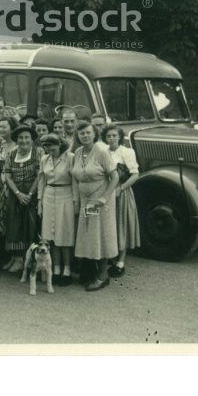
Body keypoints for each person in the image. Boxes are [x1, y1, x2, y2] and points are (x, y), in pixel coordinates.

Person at [72, 120, 119, 292]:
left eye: (88, 132)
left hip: (100, 200)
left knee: (102, 235)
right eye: (82, 133)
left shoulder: (101, 151)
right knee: (88, 235)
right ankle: (90, 272)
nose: (85, 136)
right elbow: (75, 177)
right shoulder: (77, 152)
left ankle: (102, 276)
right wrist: (77, 200)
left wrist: (105, 198)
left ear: (94, 134)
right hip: (85, 200)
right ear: (78, 135)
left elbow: (114, 177)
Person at [37, 134, 76, 286]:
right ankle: (56, 269)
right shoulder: (44, 159)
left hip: (65, 196)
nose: (50, 152)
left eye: (53, 149)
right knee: (50, 235)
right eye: (47, 149)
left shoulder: (70, 158)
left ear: (60, 145)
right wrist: (39, 202)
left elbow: (74, 181)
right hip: (48, 196)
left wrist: (75, 201)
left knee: (64, 235)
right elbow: (41, 180)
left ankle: (66, 270)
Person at [3, 125, 43, 273]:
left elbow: (40, 175)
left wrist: (30, 194)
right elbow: (7, 176)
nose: (24, 140)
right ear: (16, 140)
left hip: (31, 194)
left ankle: (24, 260)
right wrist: (18, 193)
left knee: (28, 226)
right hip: (16, 195)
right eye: (20, 138)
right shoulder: (11, 155)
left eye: (27, 137)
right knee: (14, 224)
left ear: (32, 140)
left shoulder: (38, 152)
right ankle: (15, 257)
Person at [103, 125, 141, 276]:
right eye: (108, 136)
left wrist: (121, 188)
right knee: (108, 225)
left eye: (114, 135)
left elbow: (135, 174)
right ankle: (109, 257)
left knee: (121, 224)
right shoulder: (103, 151)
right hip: (106, 191)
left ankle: (121, 261)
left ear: (119, 137)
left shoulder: (127, 152)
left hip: (121, 191)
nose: (111, 138)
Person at [0, 116, 18, 266]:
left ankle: (14, 255)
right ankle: (3, 253)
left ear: (12, 128)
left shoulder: (17, 145)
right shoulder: (1, 143)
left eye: (4, 127)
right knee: (0, 217)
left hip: (12, 183)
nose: (0, 129)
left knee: (11, 217)